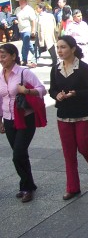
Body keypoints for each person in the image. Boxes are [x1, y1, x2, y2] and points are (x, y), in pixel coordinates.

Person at [49, 36, 88, 200]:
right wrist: (57, 95)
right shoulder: (55, 68)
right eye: (58, 47)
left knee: (83, 146)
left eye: (63, 47)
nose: (60, 51)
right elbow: (52, 90)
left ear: (73, 49)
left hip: (83, 115)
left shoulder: (84, 68)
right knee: (68, 153)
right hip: (63, 115)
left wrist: (76, 93)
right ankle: (72, 187)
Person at [0, 43, 46, 203]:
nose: (1, 59)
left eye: (4, 55)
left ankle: (26, 187)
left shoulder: (24, 73)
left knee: (17, 154)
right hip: (8, 119)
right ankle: (29, 184)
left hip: (25, 118)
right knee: (21, 154)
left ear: (13, 56)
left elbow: (42, 90)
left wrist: (26, 91)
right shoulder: (1, 75)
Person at [14, 0, 37, 68]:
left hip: (27, 29)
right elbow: (15, 17)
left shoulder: (29, 9)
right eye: (20, 1)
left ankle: (24, 60)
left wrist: (33, 30)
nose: (21, 2)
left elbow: (33, 20)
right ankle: (37, 54)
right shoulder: (17, 9)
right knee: (28, 44)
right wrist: (15, 20)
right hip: (20, 29)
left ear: (26, 2)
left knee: (25, 45)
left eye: (23, 1)